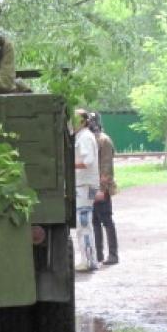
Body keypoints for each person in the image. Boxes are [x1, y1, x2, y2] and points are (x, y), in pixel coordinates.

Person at [90, 113, 119, 265]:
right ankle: (99, 254)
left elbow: (106, 166)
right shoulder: (93, 139)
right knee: (94, 221)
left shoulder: (103, 140)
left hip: (101, 187)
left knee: (106, 220)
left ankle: (113, 255)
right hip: (92, 185)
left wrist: (102, 189)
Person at [73, 109, 101, 271]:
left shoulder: (84, 138)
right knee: (84, 222)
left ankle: (89, 260)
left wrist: (69, 165)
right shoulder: (84, 136)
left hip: (84, 185)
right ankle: (89, 259)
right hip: (84, 184)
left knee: (83, 223)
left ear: (83, 121)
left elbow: (88, 161)